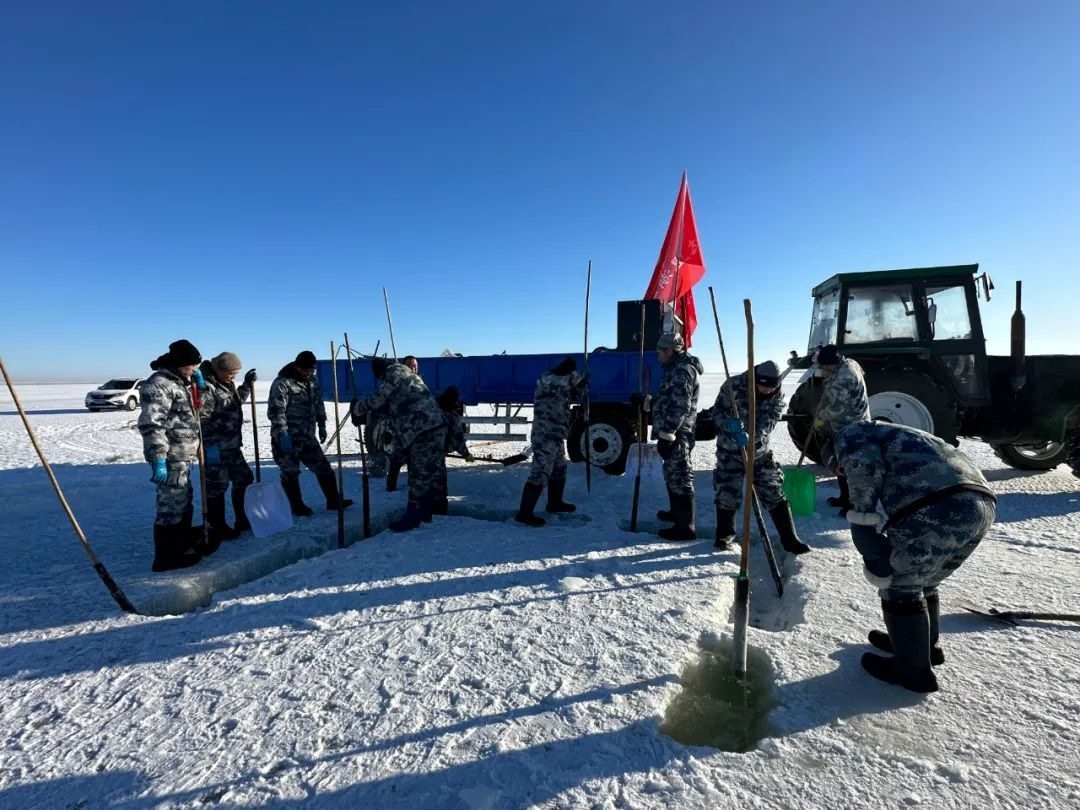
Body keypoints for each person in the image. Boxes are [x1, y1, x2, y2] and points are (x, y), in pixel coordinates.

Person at [833, 421, 996, 694]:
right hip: (982, 504)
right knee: (926, 580)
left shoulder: (850, 435)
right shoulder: (899, 433)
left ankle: (913, 672)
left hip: (938, 506)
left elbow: (865, 468)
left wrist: (861, 520)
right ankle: (925, 650)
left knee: (900, 584)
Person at [711, 360, 811, 554]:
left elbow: (771, 417)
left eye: (770, 388)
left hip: (758, 452)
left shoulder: (776, 391)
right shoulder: (733, 386)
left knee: (773, 490)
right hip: (729, 450)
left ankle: (789, 539)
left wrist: (754, 435)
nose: (766, 390)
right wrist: (730, 424)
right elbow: (717, 413)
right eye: (762, 386)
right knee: (726, 492)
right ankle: (724, 535)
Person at [351, 357, 446, 531]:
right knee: (428, 471)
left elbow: (379, 399)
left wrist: (358, 408)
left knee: (418, 473)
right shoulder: (407, 373)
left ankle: (412, 517)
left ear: (380, 372)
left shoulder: (393, 373)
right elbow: (393, 404)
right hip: (435, 425)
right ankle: (425, 512)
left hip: (422, 429)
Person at [138, 339, 208, 572]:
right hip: (170, 456)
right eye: (191, 366)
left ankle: (183, 542)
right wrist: (158, 457)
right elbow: (152, 424)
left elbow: (197, 411)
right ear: (179, 364)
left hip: (184, 453)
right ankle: (166, 558)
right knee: (170, 506)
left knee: (183, 499)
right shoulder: (159, 385)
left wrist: (201, 387)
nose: (194, 370)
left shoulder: (183, 382)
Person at [268, 350, 353, 517]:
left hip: (307, 436)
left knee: (324, 468)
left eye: (312, 370)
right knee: (291, 472)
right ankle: (297, 506)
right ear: (297, 367)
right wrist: (282, 434)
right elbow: (276, 411)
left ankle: (333, 500)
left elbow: (318, 403)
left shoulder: (312, 381)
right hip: (288, 437)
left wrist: (321, 424)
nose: (309, 373)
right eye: (306, 370)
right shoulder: (282, 383)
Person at [514, 358, 587, 527]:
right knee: (540, 472)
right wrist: (582, 378)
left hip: (557, 434)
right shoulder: (548, 379)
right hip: (545, 433)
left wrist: (582, 388)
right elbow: (570, 382)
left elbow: (574, 394)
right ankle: (524, 513)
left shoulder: (561, 382)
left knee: (559, 469)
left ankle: (555, 503)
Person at [197, 352, 257, 540]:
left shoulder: (227, 384)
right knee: (217, 486)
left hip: (232, 445)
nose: (234, 377)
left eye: (236, 373)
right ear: (218, 370)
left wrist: (246, 385)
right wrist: (210, 445)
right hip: (216, 447)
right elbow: (202, 419)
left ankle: (242, 518)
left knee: (245, 478)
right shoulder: (207, 388)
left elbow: (235, 401)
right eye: (231, 373)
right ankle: (218, 526)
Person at [815, 344, 871, 514]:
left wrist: (820, 416)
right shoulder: (849, 364)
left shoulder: (843, 378)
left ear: (833, 363)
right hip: (847, 424)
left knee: (850, 466)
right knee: (841, 462)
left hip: (851, 426)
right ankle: (845, 498)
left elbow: (838, 407)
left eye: (825, 366)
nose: (823, 368)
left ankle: (854, 504)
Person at [432, 385, 474, 515]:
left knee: (421, 485)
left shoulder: (430, 407)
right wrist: (466, 454)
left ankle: (418, 511)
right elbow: (457, 440)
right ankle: (438, 515)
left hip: (418, 453)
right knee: (439, 488)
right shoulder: (452, 415)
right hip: (436, 455)